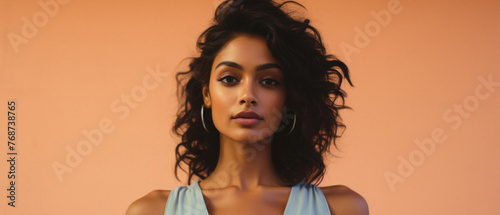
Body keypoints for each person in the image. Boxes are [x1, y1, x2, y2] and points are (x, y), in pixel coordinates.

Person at [126, 0, 368, 214]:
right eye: (229, 79)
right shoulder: (151, 211)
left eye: (269, 81)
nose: (248, 96)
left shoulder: (342, 208)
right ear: (206, 94)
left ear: (289, 100)